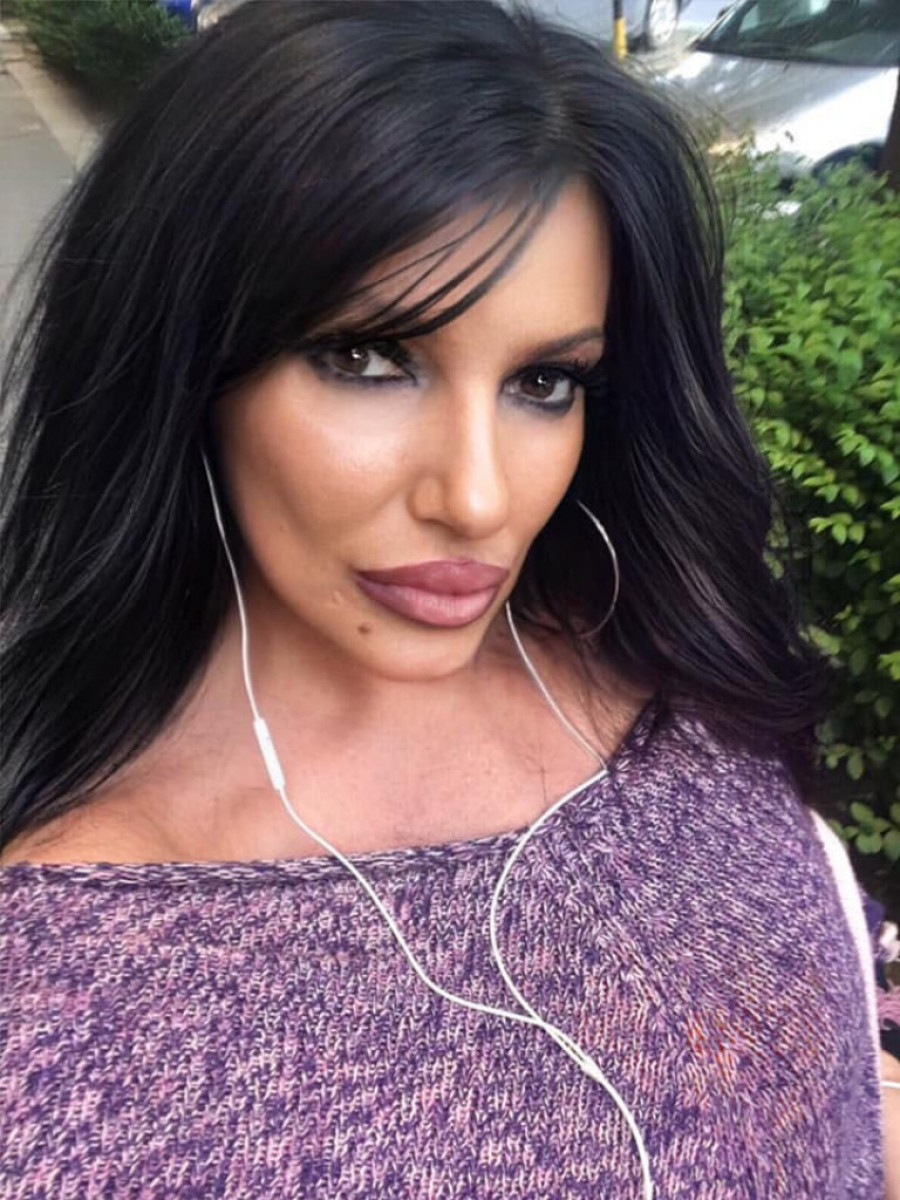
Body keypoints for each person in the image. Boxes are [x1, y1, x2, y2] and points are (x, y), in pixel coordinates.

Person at [0, 2, 896, 1196]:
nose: (477, 498)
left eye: (546, 381)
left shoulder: (673, 669)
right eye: (368, 358)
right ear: (186, 369)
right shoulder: (52, 983)